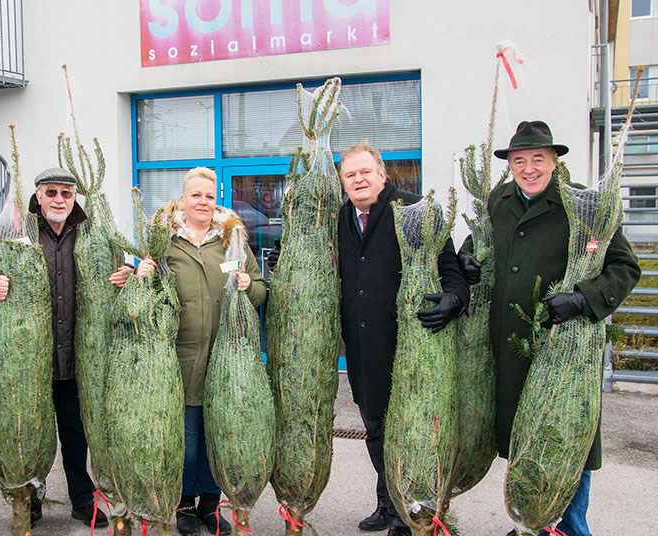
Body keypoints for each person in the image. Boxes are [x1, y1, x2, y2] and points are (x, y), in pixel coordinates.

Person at [266, 141, 469, 535]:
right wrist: (286, 257)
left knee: (412, 429)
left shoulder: (414, 210)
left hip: (413, 342)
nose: (358, 180)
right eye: (349, 175)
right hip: (362, 347)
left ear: (382, 174)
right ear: (342, 183)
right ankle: (388, 502)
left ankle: (408, 511)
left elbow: (450, 267)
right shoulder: (338, 218)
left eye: (365, 172)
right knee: (375, 427)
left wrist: (454, 299)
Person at [458, 121, 640, 536]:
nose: (528, 168)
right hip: (510, 345)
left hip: (564, 348)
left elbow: (625, 267)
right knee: (525, 438)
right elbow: (478, 242)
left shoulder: (584, 205)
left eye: (537, 159)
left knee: (566, 439)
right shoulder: (498, 200)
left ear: (554, 162)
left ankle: (572, 529)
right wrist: (467, 259)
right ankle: (533, 524)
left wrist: (583, 299)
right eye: (519, 160)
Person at [117, 167, 267, 536]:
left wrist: (249, 284)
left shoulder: (232, 240)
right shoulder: (165, 242)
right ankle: (184, 506)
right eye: (195, 195)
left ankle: (211, 506)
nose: (203, 202)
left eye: (209, 195)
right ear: (182, 200)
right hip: (178, 358)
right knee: (186, 441)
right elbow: (144, 295)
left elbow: (262, 290)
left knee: (218, 435)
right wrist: (140, 276)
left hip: (225, 359)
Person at [0, 168, 108, 529]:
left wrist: (122, 274)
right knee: (31, 432)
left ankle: (81, 500)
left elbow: (110, 269)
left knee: (75, 434)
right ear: (38, 197)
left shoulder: (88, 234)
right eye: (51, 192)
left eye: (66, 194)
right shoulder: (16, 232)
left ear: (75, 199)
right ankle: (31, 497)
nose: (59, 199)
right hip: (30, 362)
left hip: (74, 357)